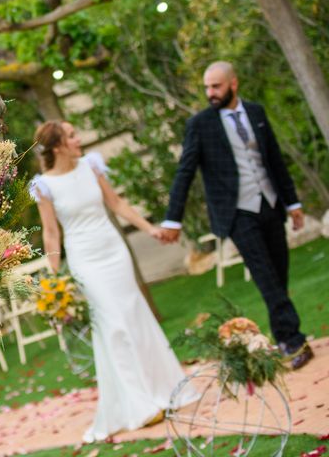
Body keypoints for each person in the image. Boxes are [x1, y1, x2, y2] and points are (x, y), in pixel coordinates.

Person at [30, 121, 198, 443]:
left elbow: (117, 204)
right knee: (114, 326)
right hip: (85, 260)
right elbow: (51, 233)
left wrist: (150, 229)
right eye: (72, 136)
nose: (79, 139)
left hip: (113, 251)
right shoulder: (44, 186)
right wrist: (53, 279)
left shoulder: (92, 166)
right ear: (58, 147)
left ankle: (166, 390)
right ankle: (140, 405)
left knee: (135, 316)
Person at [160, 61, 313, 370]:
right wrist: (172, 219)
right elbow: (185, 171)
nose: (210, 93)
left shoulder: (255, 112)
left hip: (270, 204)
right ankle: (292, 340)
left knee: (278, 275)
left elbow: (275, 161)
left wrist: (292, 203)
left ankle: (284, 333)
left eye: (215, 86)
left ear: (233, 84)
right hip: (237, 213)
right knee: (265, 276)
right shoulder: (201, 124)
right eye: (206, 87)